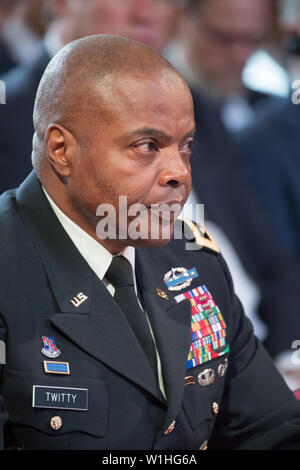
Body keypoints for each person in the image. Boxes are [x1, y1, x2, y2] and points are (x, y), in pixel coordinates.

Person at [1, 34, 300, 451]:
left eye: (186, 146)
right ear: (61, 149)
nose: (179, 172)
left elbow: (273, 430)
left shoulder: (194, 259)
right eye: (147, 146)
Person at [168, 0, 283, 133]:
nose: (240, 56)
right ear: (184, 20)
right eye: (223, 38)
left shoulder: (264, 107)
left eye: (252, 40)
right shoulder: (154, 98)